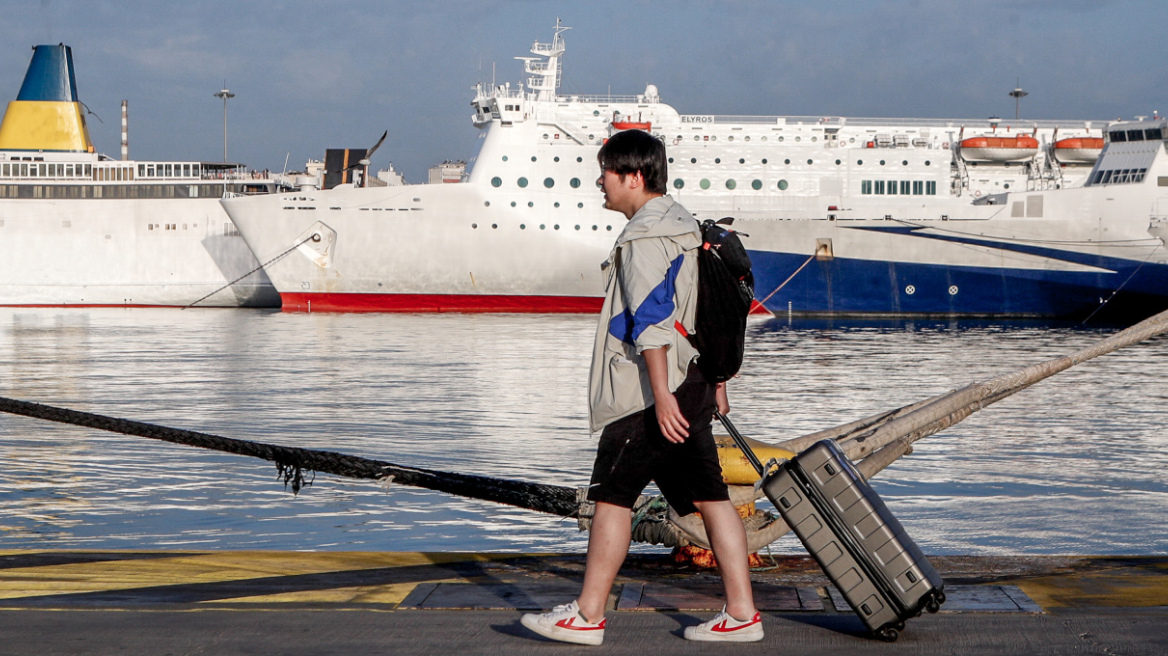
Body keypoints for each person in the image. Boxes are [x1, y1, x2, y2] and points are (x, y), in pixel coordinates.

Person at [520, 129, 762, 645]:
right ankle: (742, 613)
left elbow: (652, 320)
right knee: (711, 498)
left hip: (648, 393)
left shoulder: (644, 237)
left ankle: (586, 616)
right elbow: (700, 314)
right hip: (692, 379)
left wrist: (662, 395)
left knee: (612, 498)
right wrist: (713, 382)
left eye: (606, 172)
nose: (599, 182)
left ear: (634, 176)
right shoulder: (687, 226)